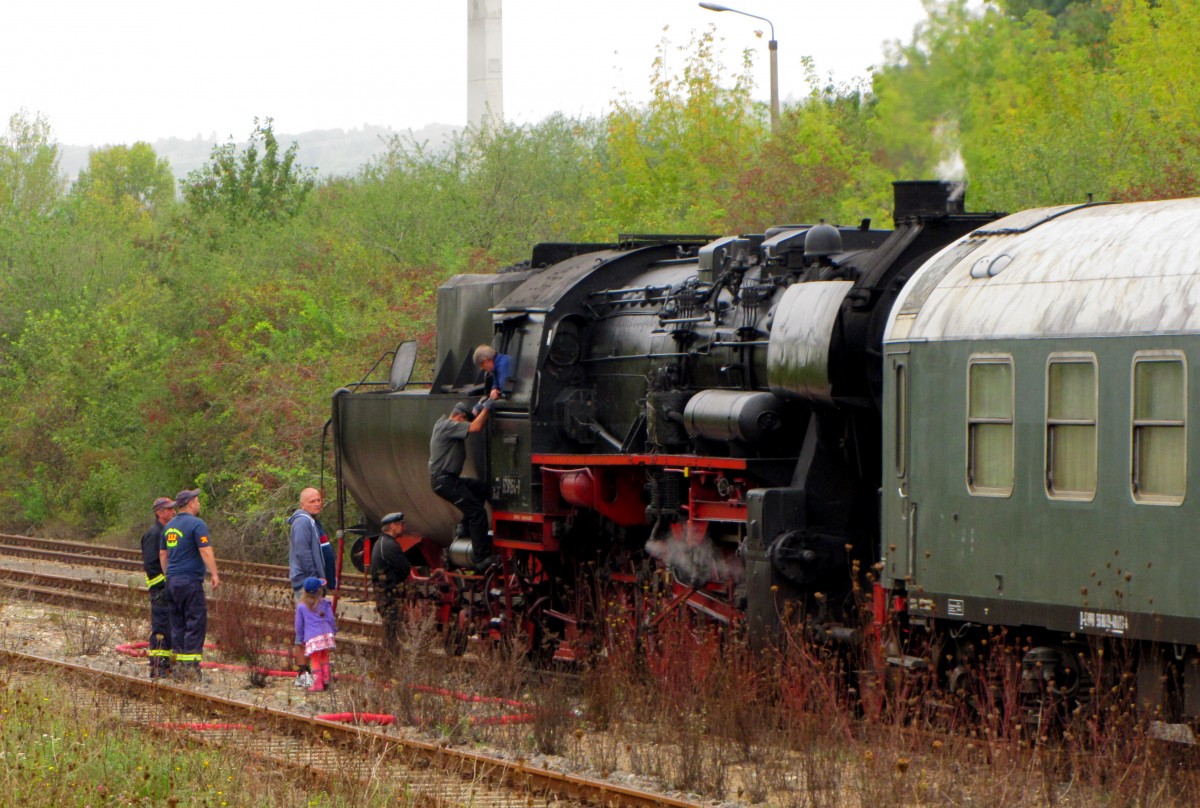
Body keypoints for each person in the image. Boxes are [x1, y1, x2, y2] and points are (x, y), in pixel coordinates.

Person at [429, 400, 498, 571]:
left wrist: (481, 404)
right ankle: (482, 558)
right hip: (445, 480)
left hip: (449, 479)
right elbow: (475, 427)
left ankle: (464, 528)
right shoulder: (449, 425)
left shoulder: (445, 424)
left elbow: (472, 418)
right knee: (477, 512)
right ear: (459, 417)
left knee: (480, 488)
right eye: (465, 420)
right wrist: (488, 407)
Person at [159, 488, 220, 681]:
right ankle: (191, 669)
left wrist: (168, 574)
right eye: (198, 500)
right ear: (192, 503)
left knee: (177, 624)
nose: (199, 503)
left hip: (172, 581)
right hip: (190, 581)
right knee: (195, 622)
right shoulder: (197, 524)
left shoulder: (168, 527)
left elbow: (163, 554)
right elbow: (205, 551)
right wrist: (215, 573)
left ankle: (178, 668)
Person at [140, 496, 175, 679]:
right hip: (160, 590)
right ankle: (158, 666)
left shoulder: (169, 532)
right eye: (169, 509)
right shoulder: (154, 535)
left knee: (171, 627)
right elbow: (152, 566)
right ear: (159, 513)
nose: (173, 512)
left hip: (169, 589)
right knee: (161, 627)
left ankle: (168, 665)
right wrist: (162, 587)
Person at [370, 512, 412, 648]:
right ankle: (390, 660)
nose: (403, 527)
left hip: (385, 593)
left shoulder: (382, 542)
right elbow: (405, 567)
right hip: (389, 594)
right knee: (392, 629)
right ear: (393, 526)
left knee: (390, 628)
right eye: (401, 524)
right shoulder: (390, 545)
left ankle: (390, 658)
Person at [295, 577, 337, 693]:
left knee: (315, 660)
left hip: (312, 637)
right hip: (326, 634)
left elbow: (299, 625)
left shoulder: (302, 606)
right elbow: (331, 619)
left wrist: (301, 638)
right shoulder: (325, 603)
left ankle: (317, 685)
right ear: (319, 590)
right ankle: (326, 680)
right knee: (325, 657)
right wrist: (333, 631)